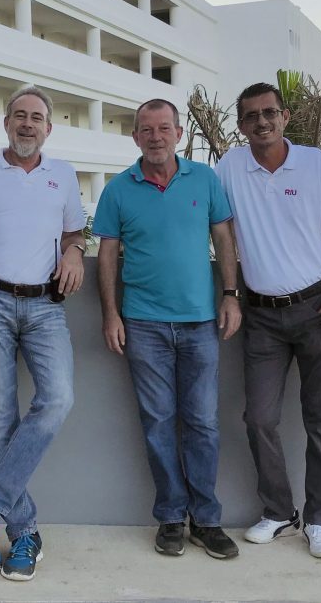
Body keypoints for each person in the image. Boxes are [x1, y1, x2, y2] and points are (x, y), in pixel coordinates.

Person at [0, 85, 86, 582]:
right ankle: (23, 533)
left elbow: (75, 232)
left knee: (59, 398)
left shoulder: (64, 175)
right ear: (6, 122)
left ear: (49, 127)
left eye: (37, 117)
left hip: (47, 306)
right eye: (20, 116)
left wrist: (73, 252)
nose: (28, 124)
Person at [93, 99, 241, 560]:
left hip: (200, 321)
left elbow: (223, 238)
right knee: (158, 424)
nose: (155, 136)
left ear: (179, 133)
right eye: (146, 129)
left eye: (164, 128)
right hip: (143, 324)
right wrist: (111, 314)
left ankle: (208, 520)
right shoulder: (118, 190)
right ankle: (172, 518)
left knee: (203, 424)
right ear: (135, 137)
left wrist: (231, 294)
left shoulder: (205, 180)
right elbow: (107, 256)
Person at [215, 82, 321, 559]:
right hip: (261, 317)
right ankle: (278, 511)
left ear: (285, 116)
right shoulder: (230, 168)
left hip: (319, 310)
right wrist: (231, 294)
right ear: (241, 125)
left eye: (270, 112)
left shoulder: (313, 163)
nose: (262, 122)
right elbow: (224, 235)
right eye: (252, 116)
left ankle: (319, 520)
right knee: (259, 418)